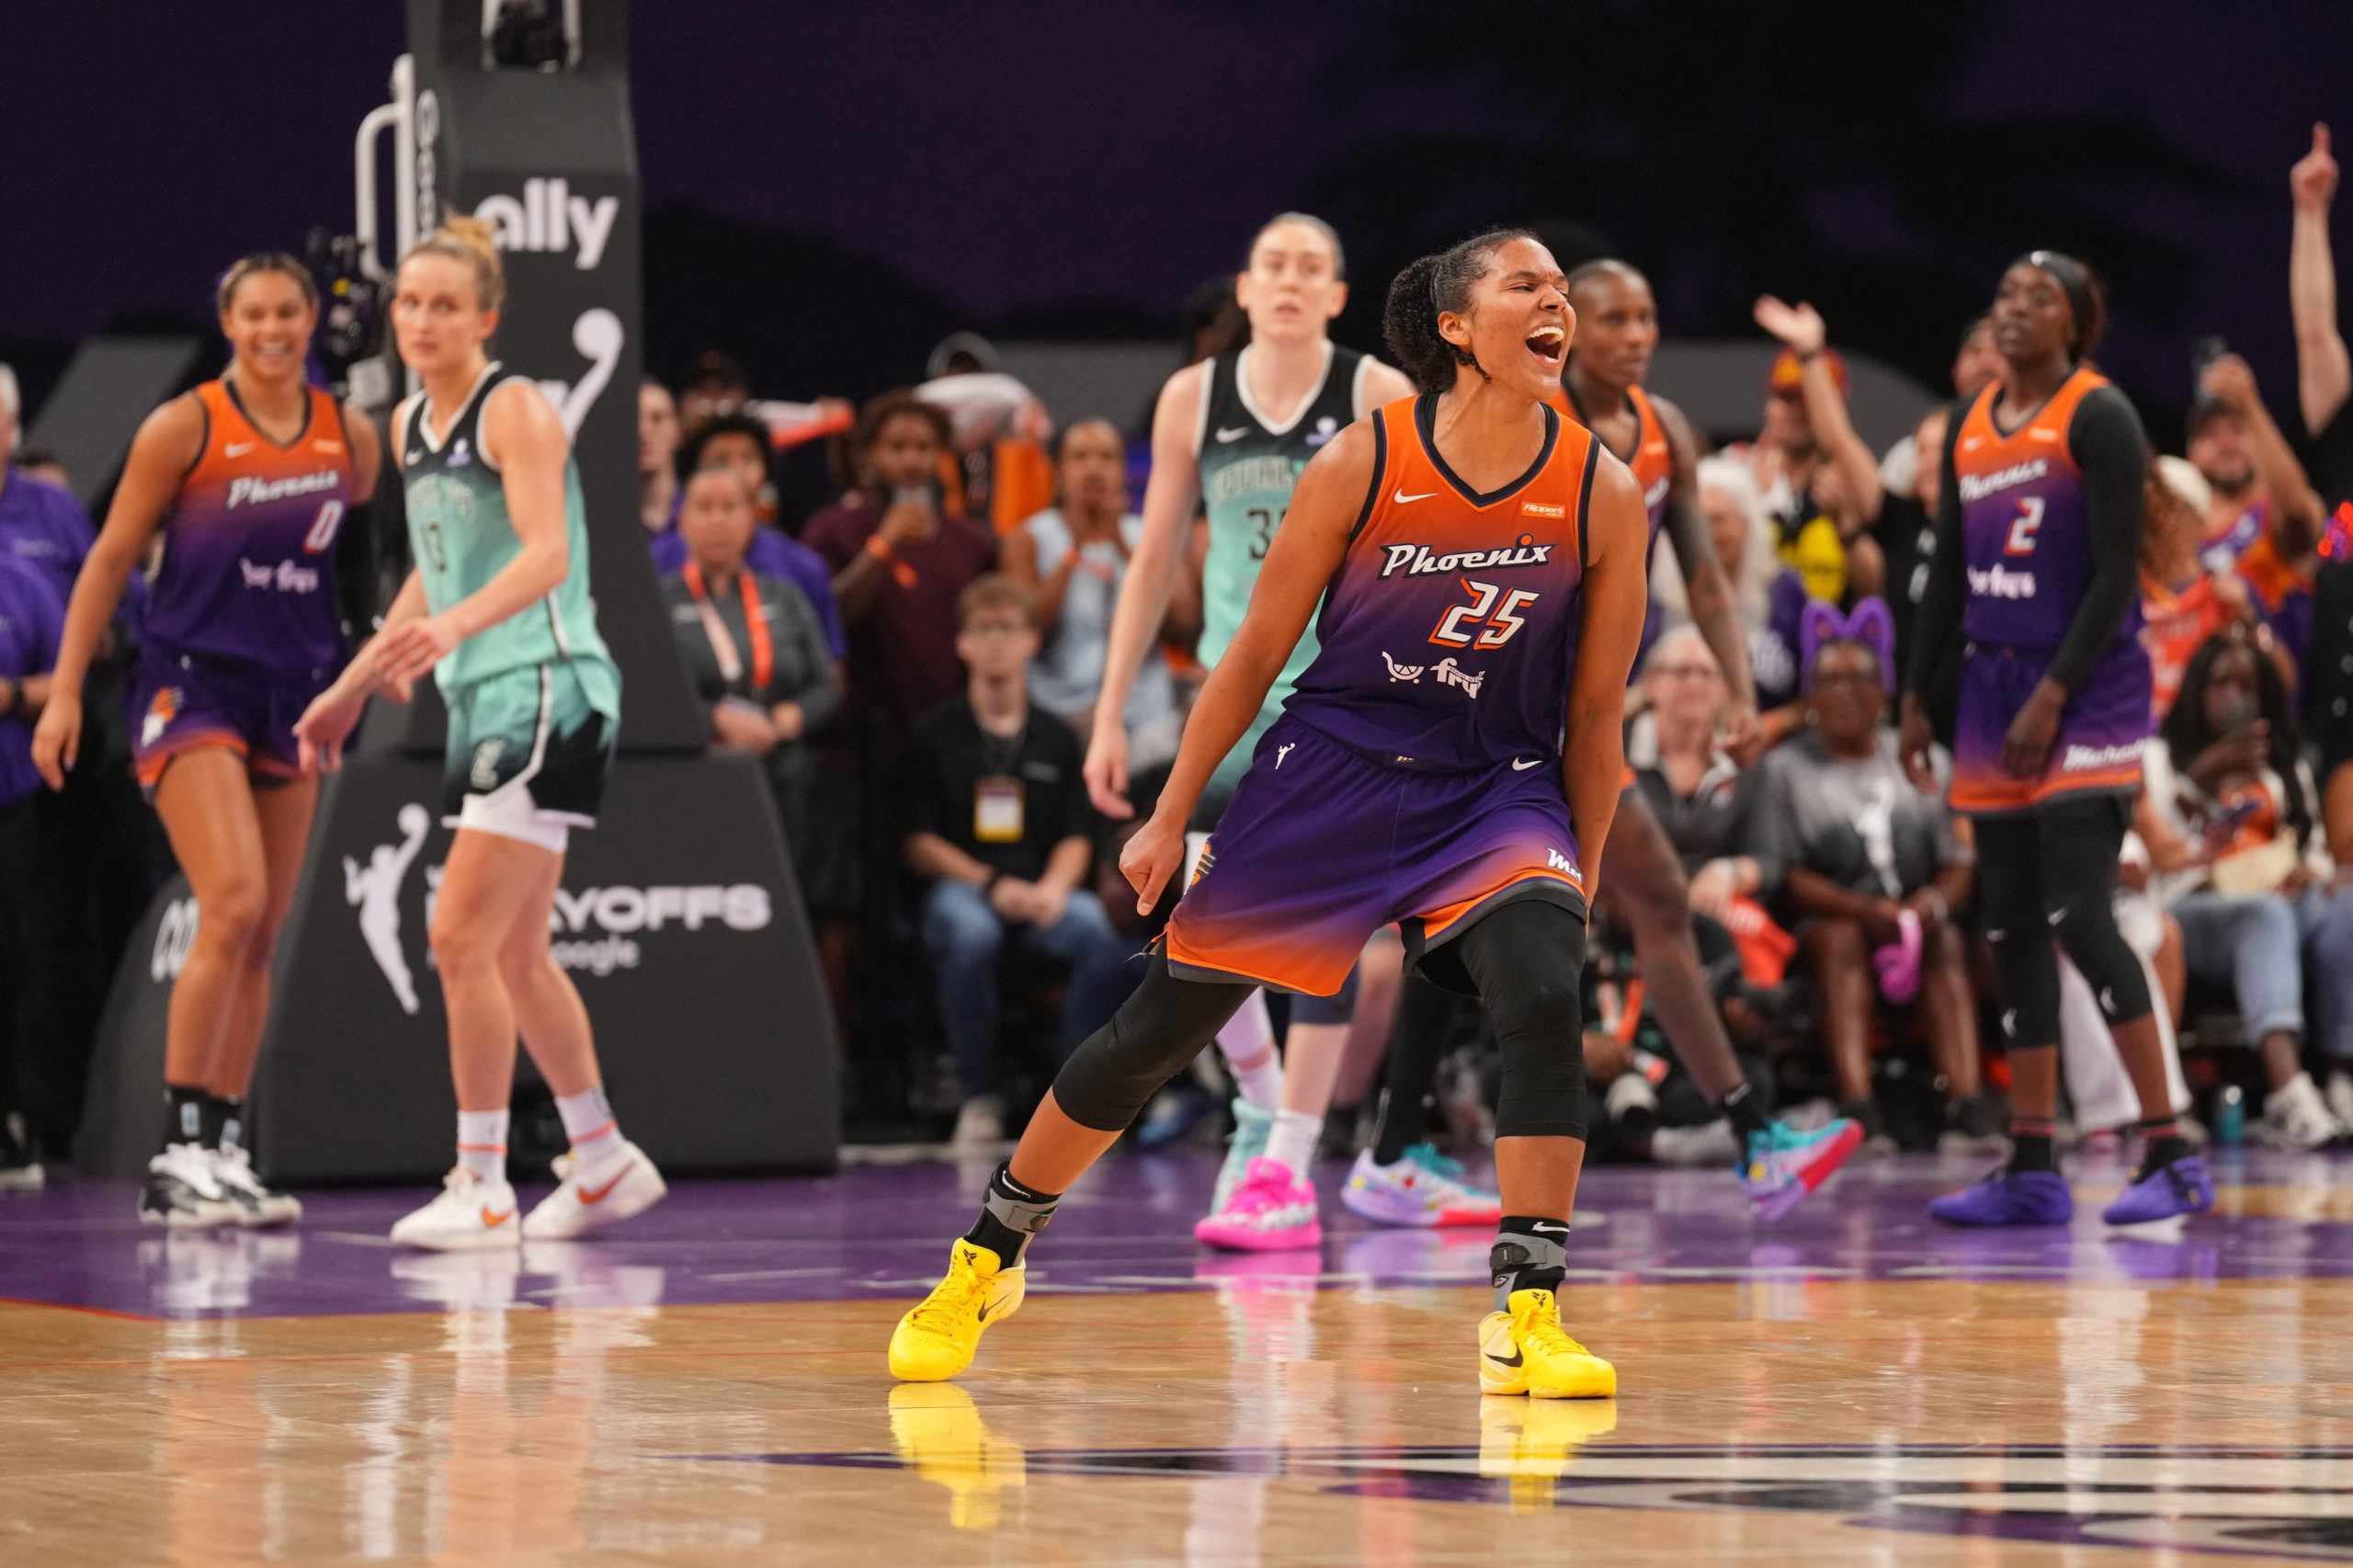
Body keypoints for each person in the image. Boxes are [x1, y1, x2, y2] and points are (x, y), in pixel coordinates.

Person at [888, 228, 1649, 1397]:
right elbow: (1251, 653)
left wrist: (1578, 878)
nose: (1557, 303)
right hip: (1332, 771)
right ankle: (987, 1255)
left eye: (1561, 289)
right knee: (1157, 1028)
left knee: (1544, 988)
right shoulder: (1363, 459)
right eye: (1525, 286)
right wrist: (1167, 814)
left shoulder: (1602, 490)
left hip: (1492, 784)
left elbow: (1594, 718)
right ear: (1455, 327)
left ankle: (1526, 1308)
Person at [1361, 261, 1861, 1227]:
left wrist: (1737, 690)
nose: (1635, 335)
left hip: (1576, 722)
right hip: (1497, 713)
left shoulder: (1662, 427)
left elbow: (1704, 578)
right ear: (1563, 327)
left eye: (1646, 316)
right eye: (1613, 318)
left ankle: (1751, 1138)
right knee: (1466, 918)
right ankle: (1393, 1146)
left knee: (1644, 902)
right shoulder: (1518, 420)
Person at [291, 216, 666, 1250]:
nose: (422, 321)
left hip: (546, 687)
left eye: (445, 305)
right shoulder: (411, 422)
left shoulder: (518, 410)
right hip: (488, 696)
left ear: (486, 318)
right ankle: (602, 1158)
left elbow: (547, 556)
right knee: (515, 952)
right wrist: (352, 686)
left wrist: (454, 628)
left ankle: (483, 1182)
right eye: (409, 303)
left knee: (459, 937)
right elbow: (435, 570)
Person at [1077, 213, 1420, 1250]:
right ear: (1244, 285)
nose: (1289, 280)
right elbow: (1151, 561)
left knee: (1324, 929)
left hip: (1341, 695)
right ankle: (1262, 1108)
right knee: (1198, 910)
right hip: (1233, 695)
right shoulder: (1194, 396)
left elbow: (1417, 549)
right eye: (1274, 264)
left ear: (1337, 295)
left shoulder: (1373, 391)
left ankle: (1287, 1164)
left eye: (1311, 267)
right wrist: (1109, 710)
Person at [33, 254, 381, 1228]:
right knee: (231, 900)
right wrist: (66, 694)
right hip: (192, 686)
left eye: (288, 312)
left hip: (295, 694)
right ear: (227, 323)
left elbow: (362, 560)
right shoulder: (184, 426)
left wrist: (359, 667)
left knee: (264, 929)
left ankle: (222, 1149)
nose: (272, 329)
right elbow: (109, 559)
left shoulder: (349, 436)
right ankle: (177, 1151)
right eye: (253, 314)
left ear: (310, 320)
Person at [1901, 250, 2211, 1226]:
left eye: (2039, 298)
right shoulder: (1966, 424)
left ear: (2074, 323)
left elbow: (2117, 576)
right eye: (2005, 294)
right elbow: (1948, 574)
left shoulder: (2097, 412)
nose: (2015, 308)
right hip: (1990, 690)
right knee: (2010, 927)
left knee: (2081, 914)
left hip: (2086, 688)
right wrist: (1913, 697)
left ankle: (2170, 1149)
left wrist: (2053, 694)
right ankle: (2032, 1162)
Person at [902, 574, 1141, 1145]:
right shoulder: (934, 735)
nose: (996, 642)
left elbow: (1077, 836)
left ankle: (1071, 1099)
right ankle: (978, 1096)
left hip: (1040, 890)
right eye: (983, 630)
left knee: (1099, 931)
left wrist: (1054, 889)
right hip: (965, 888)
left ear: (1033, 641)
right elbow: (918, 844)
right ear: (961, 643)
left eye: (1008, 629)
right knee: (970, 933)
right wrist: (989, 883)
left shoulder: (1056, 738)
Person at [1762, 602, 1993, 1153]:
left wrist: (1930, 905)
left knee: (1946, 939)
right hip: (1832, 920)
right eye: (1829, 681)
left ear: (1884, 691)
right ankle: (1859, 1107)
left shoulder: (1924, 759)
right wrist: (1863, 910)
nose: (1844, 692)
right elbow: (1786, 875)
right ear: (1811, 695)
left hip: (1914, 917)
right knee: (1839, 940)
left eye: (1859, 680)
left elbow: (1960, 861)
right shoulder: (1785, 769)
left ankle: (1967, 1104)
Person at [2143, 627, 2352, 1147]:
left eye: (2248, 685)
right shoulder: (2159, 758)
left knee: (2346, 905)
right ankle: (2288, 1094)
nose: (2235, 697)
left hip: (2280, 897)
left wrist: (2311, 870)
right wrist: (2197, 780)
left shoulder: (2283, 763)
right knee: (2265, 915)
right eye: (2221, 683)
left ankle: (2342, 1076)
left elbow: (2312, 845)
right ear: (2196, 689)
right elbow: (2155, 859)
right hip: (2194, 907)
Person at [663, 466, 838, 858]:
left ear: (751, 519)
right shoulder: (659, 602)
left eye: (730, 507)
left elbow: (826, 683)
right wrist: (714, 718)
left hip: (782, 772)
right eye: (704, 507)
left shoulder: (785, 596)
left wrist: (792, 717)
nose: (717, 520)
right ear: (682, 521)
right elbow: (648, 691)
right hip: (696, 773)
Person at [1004, 419, 1183, 768]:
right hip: (1057, 715)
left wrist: (1121, 543)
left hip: (1144, 716)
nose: (1094, 469)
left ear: (1122, 471)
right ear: (1059, 472)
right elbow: (1029, 628)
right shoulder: (1029, 538)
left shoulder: (1148, 536)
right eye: (1080, 457)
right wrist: (1075, 548)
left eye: (1106, 457)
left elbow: (1183, 624)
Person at [654, 412, 846, 662]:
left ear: (766, 472)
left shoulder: (804, 567)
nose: (737, 469)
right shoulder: (654, 562)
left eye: (748, 458)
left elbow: (829, 665)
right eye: (721, 458)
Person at [1741, 301, 1886, 607]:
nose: (1795, 412)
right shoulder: (1737, 470)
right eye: (1785, 399)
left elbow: (1876, 589)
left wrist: (1845, 526)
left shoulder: (1849, 482)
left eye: (1807, 400)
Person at [2187, 355, 2322, 674]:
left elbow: (2298, 513)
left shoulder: (2269, 513)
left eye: (2237, 430)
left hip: (2287, 690)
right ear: (2191, 454)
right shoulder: (2178, 540)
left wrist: (2250, 408)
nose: (2226, 443)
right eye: (2210, 435)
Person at [0, 551, 64, 1185]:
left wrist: (13, 694)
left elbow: (66, 676)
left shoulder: (19, 582)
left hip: (9, 800)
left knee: (11, 960)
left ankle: (9, 1122)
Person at [639, 377, 681, 537]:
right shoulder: (602, 521)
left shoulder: (700, 512)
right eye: (632, 419)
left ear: (677, 430)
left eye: (657, 418)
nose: (643, 431)